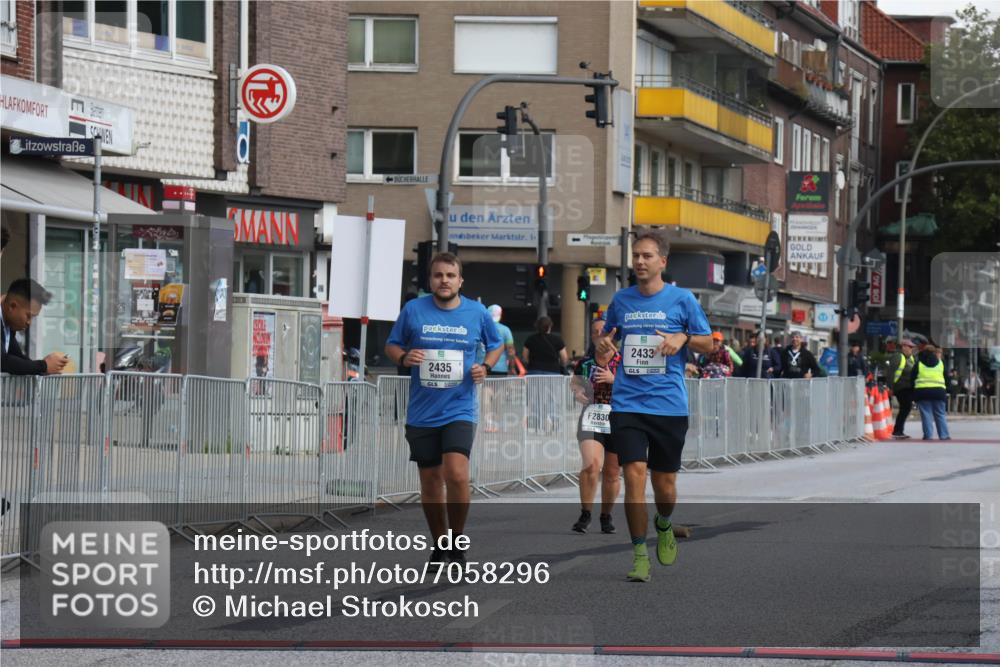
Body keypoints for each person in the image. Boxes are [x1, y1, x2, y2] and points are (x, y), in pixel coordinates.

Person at [597, 230, 712, 582]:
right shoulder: (621, 300)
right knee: (632, 475)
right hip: (628, 403)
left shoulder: (682, 300)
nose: (640, 261)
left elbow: (708, 344)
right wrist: (602, 345)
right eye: (636, 256)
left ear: (663, 261)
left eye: (647, 256)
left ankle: (663, 522)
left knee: (664, 486)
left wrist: (684, 337)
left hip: (668, 406)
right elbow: (605, 339)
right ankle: (639, 555)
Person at [384, 253, 503, 567]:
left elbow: (496, 344)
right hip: (422, 411)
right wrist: (403, 358)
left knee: (457, 474)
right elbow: (392, 344)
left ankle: (458, 540)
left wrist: (486, 367)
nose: (444, 280)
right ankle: (440, 542)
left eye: (451, 275)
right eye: (438, 275)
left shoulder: (476, 313)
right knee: (431, 481)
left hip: (460, 408)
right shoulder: (413, 310)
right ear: (430, 280)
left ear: (460, 280)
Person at [571, 317, 621, 535]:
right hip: (591, 416)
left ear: (613, 335)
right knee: (591, 465)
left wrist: (614, 380)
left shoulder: (623, 361)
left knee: (611, 472)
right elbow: (575, 383)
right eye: (596, 331)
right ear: (592, 336)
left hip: (618, 418)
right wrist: (578, 392)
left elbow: (638, 388)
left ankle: (606, 515)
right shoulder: (585, 362)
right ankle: (585, 513)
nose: (601, 334)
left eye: (604, 330)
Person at [1, 278, 69, 375]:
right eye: (28, 316)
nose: (29, 322)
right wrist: (44, 366)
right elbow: (4, 361)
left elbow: (16, 357)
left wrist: (45, 368)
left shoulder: (8, 326)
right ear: (12, 306)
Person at [910, 343, 950, 440]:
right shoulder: (941, 363)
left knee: (926, 414)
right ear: (934, 352)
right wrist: (947, 390)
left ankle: (928, 435)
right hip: (939, 392)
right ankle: (944, 435)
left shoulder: (918, 364)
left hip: (922, 392)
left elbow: (912, 379)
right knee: (940, 414)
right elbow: (947, 378)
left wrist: (913, 392)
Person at [887, 339, 916, 439]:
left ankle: (899, 430)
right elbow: (891, 372)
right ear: (903, 347)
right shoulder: (898, 357)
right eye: (910, 347)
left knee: (906, 408)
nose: (911, 349)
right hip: (900, 387)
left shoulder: (911, 358)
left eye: (912, 347)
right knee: (905, 407)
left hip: (908, 387)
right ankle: (897, 431)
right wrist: (890, 387)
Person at [486, 305, 517, 376]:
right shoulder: (506, 330)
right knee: (499, 387)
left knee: (483, 387)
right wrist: (512, 368)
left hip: (482, 368)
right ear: (500, 315)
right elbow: (511, 351)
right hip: (501, 368)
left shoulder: (481, 328)